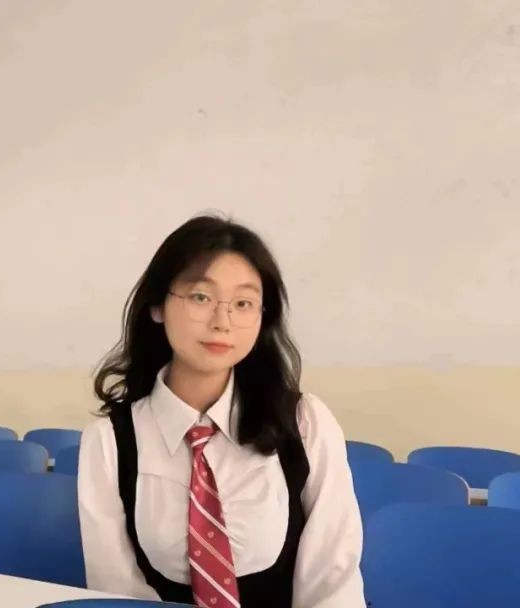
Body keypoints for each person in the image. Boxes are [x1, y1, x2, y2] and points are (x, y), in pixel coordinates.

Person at [77, 214, 365, 607]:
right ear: (157, 306)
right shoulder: (108, 442)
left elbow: (332, 583)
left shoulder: (305, 423)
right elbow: (117, 590)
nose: (222, 321)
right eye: (201, 297)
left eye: (243, 303)